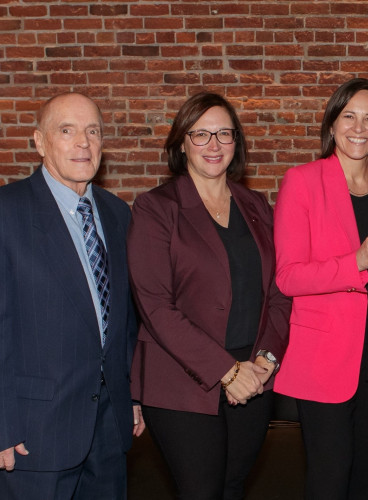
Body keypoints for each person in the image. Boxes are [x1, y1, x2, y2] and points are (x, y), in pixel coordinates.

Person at [126, 92, 291, 500]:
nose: (213, 145)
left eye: (223, 133)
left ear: (236, 142)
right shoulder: (155, 209)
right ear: (182, 143)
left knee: (233, 487)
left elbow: (280, 293)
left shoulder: (257, 206)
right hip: (182, 380)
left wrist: (264, 362)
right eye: (201, 134)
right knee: (202, 492)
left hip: (253, 377)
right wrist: (227, 371)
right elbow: (155, 307)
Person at [273, 78, 368, 500]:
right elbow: (288, 276)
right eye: (348, 116)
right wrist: (355, 261)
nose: (359, 127)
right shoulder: (302, 181)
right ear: (332, 125)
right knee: (330, 479)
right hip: (328, 355)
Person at [0, 92, 144, 499]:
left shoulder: (118, 213)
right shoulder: (6, 212)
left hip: (108, 430)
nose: (83, 142)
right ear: (40, 142)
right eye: (67, 131)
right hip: (33, 432)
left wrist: (129, 393)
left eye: (93, 131)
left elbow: (125, 318)